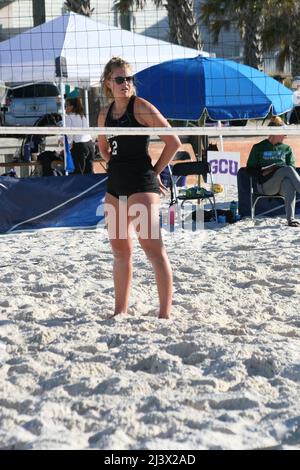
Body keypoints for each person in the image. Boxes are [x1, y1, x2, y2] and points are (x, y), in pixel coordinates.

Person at [98, 57, 181, 319]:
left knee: (153, 250)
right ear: (108, 83)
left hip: (141, 184)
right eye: (120, 79)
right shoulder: (104, 114)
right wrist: (116, 164)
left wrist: (155, 172)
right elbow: (102, 149)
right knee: (120, 252)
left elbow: (174, 142)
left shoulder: (141, 107)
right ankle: (120, 311)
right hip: (115, 185)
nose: (126, 84)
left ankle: (165, 314)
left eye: (130, 79)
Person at [247, 116, 300, 227]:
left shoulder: (286, 148)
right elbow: (249, 170)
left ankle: (291, 220)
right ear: (275, 133)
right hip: (265, 185)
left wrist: (278, 168)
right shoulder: (258, 147)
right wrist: (263, 172)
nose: (285, 137)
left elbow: (292, 169)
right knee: (287, 169)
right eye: (283, 134)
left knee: (289, 183)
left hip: (281, 186)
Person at [65, 97, 94, 174]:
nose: (65, 108)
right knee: (89, 174)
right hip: (90, 145)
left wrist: (67, 147)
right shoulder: (82, 116)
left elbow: (69, 137)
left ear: (72, 107)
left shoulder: (68, 118)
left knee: (78, 175)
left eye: (66, 106)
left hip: (80, 147)